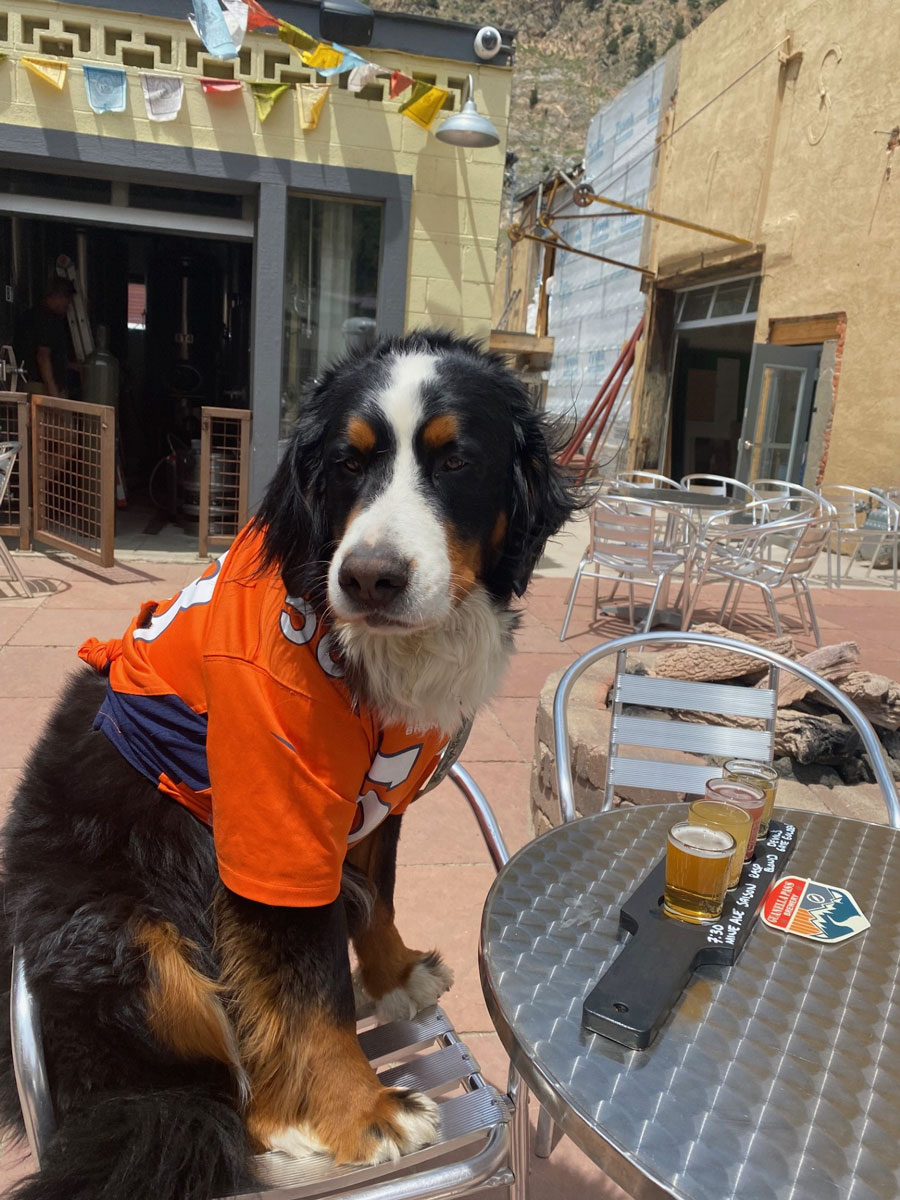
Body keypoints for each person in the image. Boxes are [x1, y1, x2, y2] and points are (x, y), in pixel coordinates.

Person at [15, 281, 75, 397]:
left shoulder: (31, 315)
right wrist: (54, 393)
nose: (68, 304)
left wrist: (74, 366)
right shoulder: (48, 320)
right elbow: (43, 356)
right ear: (57, 296)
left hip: (31, 384)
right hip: (42, 389)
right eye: (66, 298)